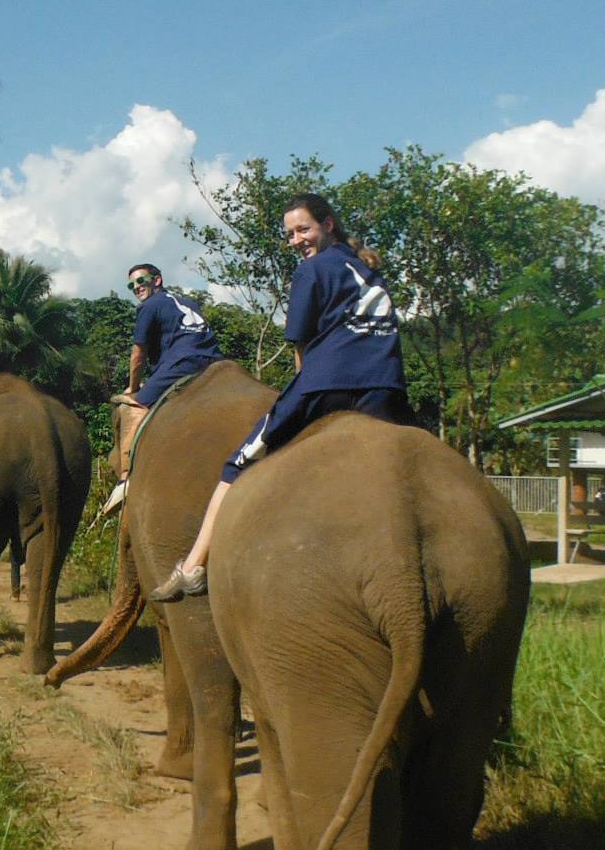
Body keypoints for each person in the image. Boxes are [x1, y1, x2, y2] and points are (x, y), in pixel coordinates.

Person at [149, 193, 413, 601]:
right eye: (289, 234)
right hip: (388, 387)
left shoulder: (312, 270)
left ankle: (193, 565)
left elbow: (300, 348)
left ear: (327, 224)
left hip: (327, 385)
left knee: (235, 466)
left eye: (303, 229)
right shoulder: (367, 269)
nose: (296, 240)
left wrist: (299, 391)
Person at [104, 263, 223, 512]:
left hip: (183, 362)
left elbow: (139, 354)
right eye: (132, 284)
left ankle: (125, 479)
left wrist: (133, 388)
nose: (136, 287)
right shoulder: (188, 302)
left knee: (133, 405)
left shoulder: (148, 306)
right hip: (216, 362)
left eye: (141, 281)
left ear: (157, 280)